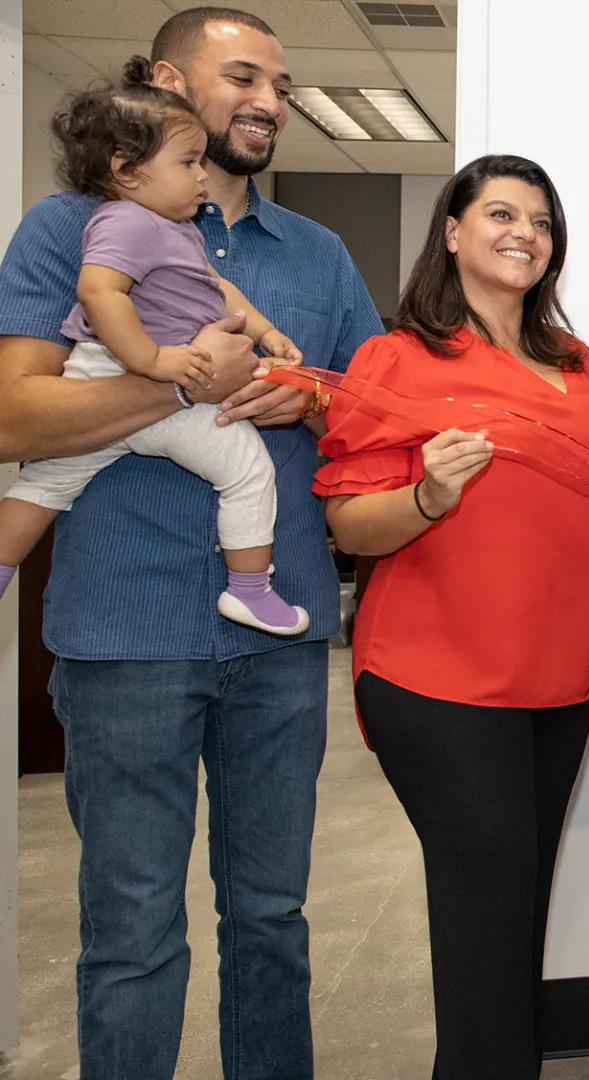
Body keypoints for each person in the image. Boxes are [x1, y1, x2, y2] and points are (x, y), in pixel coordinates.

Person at [0, 7, 382, 1076]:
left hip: (280, 637)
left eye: (283, 86)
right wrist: (180, 382)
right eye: (244, 77)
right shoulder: (67, 228)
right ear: (166, 82)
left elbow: (366, 412)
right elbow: (14, 417)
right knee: (131, 935)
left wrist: (304, 397)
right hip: (124, 634)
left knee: (272, 918)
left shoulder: (317, 253)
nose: (270, 102)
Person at [319, 154, 589, 1080]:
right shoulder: (397, 358)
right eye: (501, 214)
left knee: (515, 909)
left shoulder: (575, 361)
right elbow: (350, 523)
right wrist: (427, 495)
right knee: (486, 905)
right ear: (452, 232)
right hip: (439, 676)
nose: (524, 233)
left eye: (541, 221)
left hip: (559, 673)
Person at [0, 64, 310, 635]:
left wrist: (265, 331)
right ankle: (249, 589)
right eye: (188, 163)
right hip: (135, 375)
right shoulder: (125, 222)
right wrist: (153, 364)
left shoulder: (173, 227)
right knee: (247, 471)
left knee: (45, 484)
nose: (201, 176)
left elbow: (218, 289)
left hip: (117, 376)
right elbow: (100, 291)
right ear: (126, 170)